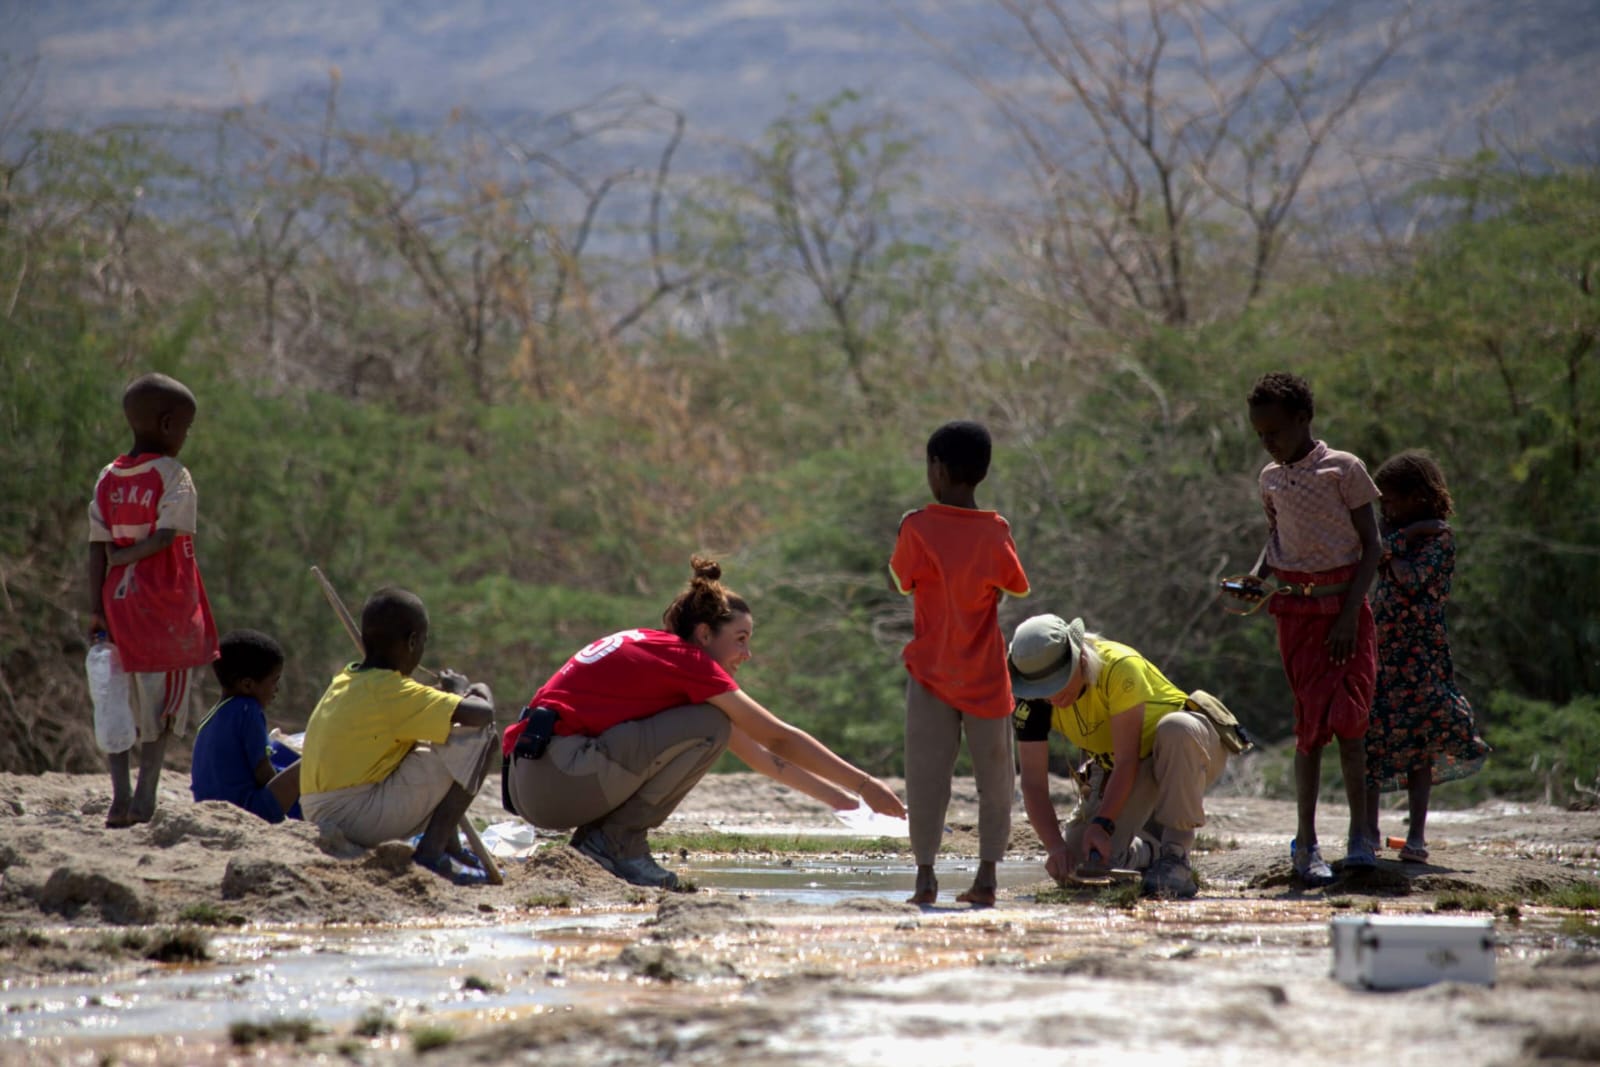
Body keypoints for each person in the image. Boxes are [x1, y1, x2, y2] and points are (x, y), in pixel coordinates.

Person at [504, 556, 906, 891]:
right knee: (711, 724)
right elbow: (778, 738)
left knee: (712, 724)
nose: (747, 654)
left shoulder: (658, 652)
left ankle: (608, 843)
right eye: (741, 639)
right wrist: (866, 784)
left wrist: (846, 803)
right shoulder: (687, 661)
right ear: (704, 633)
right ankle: (614, 844)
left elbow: (762, 755)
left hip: (535, 781)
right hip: (555, 779)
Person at [1227, 371, 1382, 886]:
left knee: (1352, 724)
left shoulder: (1344, 469)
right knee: (1310, 729)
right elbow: (1276, 540)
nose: (1267, 442)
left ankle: (1362, 837)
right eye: (1259, 435)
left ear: (1302, 419)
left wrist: (1346, 616)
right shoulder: (1270, 479)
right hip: (1296, 615)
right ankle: (1306, 843)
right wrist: (1256, 579)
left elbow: (1372, 547)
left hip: (1347, 614)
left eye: (1274, 431)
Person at [889, 420, 1029, 906]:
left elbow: (901, 581)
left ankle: (925, 877)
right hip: (987, 672)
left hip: (931, 671)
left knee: (926, 775)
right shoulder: (996, 531)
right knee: (995, 778)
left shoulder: (917, 526)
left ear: (937, 469)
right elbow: (1013, 585)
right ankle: (986, 876)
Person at [1009, 614, 1239, 899]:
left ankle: (1175, 856)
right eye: (1041, 690)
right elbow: (1031, 782)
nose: (1052, 697)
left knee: (1176, 728)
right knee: (1083, 864)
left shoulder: (1118, 667)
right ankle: (1149, 851)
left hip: (1184, 754)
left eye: (1058, 683)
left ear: (1080, 659)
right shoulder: (1033, 702)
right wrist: (1056, 848)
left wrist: (1103, 823)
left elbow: (1127, 759)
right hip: (1123, 771)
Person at [87, 372, 219, 828]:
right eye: (185, 427)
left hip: (117, 608)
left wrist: (94, 607)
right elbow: (165, 538)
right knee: (161, 710)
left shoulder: (108, 478)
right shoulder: (174, 476)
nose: (185, 437)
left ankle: (119, 799)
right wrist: (131, 555)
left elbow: (94, 548)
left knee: (116, 704)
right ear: (167, 425)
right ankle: (145, 800)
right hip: (165, 610)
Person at [299, 588, 498, 886]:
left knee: (430, 744)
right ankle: (431, 853)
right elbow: (483, 715)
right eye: (423, 642)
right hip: (353, 815)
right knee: (483, 740)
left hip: (318, 810)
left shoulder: (347, 679)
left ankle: (448, 844)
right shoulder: (392, 692)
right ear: (413, 642)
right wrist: (469, 688)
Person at [1361, 451, 1489, 862]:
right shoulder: (1407, 531)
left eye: (1393, 501)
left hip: (1420, 652)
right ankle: (1367, 832)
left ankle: (1416, 837)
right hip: (1382, 649)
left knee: (1421, 742)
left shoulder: (1440, 538)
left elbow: (1409, 576)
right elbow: (1374, 549)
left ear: (1419, 497)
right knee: (1372, 737)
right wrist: (1403, 537)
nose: (1387, 510)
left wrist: (1396, 546)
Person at [191, 629, 302, 823]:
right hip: (247, 810)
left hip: (209, 810)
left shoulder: (209, 718)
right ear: (248, 685)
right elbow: (262, 772)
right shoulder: (247, 709)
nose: (276, 689)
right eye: (274, 681)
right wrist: (288, 795)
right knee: (308, 764)